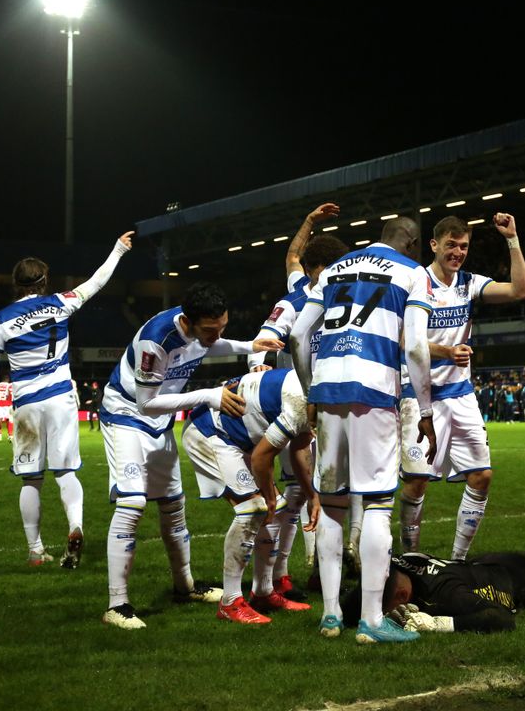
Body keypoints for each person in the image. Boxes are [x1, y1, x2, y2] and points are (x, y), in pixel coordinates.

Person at [98, 281, 283, 630]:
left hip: (159, 422)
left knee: (173, 503)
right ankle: (116, 603)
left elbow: (209, 347)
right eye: (210, 329)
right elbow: (146, 403)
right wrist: (209, 396)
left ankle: (185, 587)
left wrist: (250, 345)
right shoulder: (157, 341)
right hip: (126, 416)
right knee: (133, 503)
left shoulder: (201, 334)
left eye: (222, 327)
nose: (217, 335)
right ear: (187, 321)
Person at [290, 215, 437, 644]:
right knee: (375, 504)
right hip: (374, 391)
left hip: (329, 389)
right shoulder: (413, 273)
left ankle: (331, 616)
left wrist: (310, 391)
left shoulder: (335, 267)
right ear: (410, 243)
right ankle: (371, 620)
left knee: (333, 504)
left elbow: (299, 336)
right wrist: (424, 409)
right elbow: (414, 345)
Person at [0, 232, 134, 569]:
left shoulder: (2, 318)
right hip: (61, 398)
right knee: (66, 473)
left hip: (26, 402)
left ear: (15, 284)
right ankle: (75, 526)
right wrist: (118, 250)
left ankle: (36, 550)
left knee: (31, 478)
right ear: (44, 280)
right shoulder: (61, 302)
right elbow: (96, 282)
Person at [398, 214, 525, 561]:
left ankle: (457, 562)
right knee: (416, 481)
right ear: (434, 245)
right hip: (419, 395)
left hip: (460, 394)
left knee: (482, 476)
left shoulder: (469, 283)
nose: (457, 252)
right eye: (451, 245)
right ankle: (410, 559)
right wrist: (445, 351)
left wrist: (512, 240)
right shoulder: (416, 282)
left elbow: (521, 290)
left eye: (464, 246)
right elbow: (404, 339)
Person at [343, 473, 525, 634]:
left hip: (516, 585)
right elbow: (355, 601)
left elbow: (501, 619)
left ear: (402, 597)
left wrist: (436, 623)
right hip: (487, 566)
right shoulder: (396, 563)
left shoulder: (445, 594)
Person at [248, 229, 349, 602]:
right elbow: (262, 341)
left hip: (338, 405)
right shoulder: (294, 302)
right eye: (332, 269)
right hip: (302, 407)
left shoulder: (343, 297)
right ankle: (282, 573)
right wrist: (258, 364)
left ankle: (317, 568)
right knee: (297, 495)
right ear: (313, 272)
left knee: (335, 492)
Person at [182, 368, 317, 623]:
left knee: (275, 510)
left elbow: (300, 449)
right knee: (253, 509)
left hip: (234, 438)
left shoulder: (313, 389)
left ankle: (264, 592)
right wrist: (269, 496)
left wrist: (313, 495)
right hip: (209, 431)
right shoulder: (300, 402)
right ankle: (230, 602)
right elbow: (261, 457)